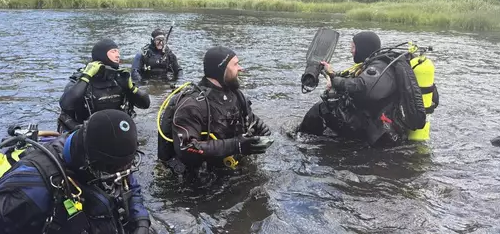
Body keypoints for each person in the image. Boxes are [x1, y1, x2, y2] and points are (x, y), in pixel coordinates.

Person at [0, 109, 152, 234]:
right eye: (114, 168)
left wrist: (141, 220)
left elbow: (130, 186)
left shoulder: (110, 161)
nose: (123, 172)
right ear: (89, 161)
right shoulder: (31, 184)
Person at [298, 31, 431, 146]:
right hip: (375, 121)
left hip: (380, 131)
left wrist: (335, 82)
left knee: (322, 108)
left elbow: (363, 87)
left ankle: (300, 137)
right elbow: (355, 81)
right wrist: (332, 74)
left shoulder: (379, 67)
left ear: (363, 48)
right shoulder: (377, 63)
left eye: (353, 47)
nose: (351, 50)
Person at [157, 46, 272, 175]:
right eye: (235, 64)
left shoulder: (236, 95)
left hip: (229, 167)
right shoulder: (191, 105)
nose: (240, 68)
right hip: (199, 179)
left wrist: (261, 128)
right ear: (220, 69)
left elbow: (246, 118)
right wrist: (236, 146)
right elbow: (186, 149)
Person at [58, 38, 150, 132]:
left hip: (117, 129)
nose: (118, 55)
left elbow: (145, 104)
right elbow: (65, 105)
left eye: (118, 52)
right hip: (86, 133)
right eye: (113, 51)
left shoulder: (120, 78)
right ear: (102, 54)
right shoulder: (82, 80)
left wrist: (132, 88)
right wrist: (86, 76)